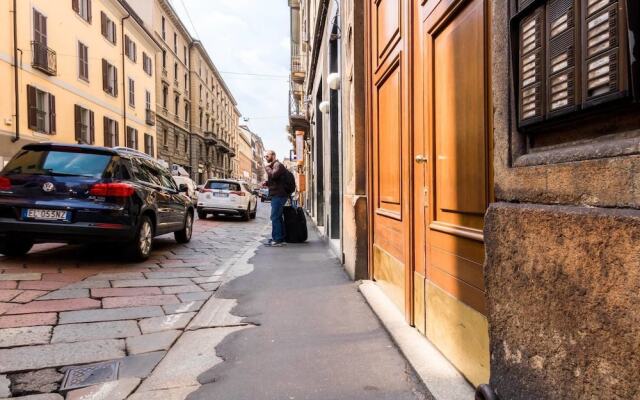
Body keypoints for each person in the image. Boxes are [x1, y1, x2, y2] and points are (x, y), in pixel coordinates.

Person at [263, 150, 288, 247]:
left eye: (267, 156)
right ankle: (278, 238)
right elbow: (275, 180)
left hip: (279, 195)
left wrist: (267, 168)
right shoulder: (275, 166)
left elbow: (273, 175)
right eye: (265, 156)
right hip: (277, 194)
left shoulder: (278, 165)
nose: (266, 157)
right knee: (278, 217)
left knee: (275, 217)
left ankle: (277, 240)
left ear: (273, 155)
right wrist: (266, 183)